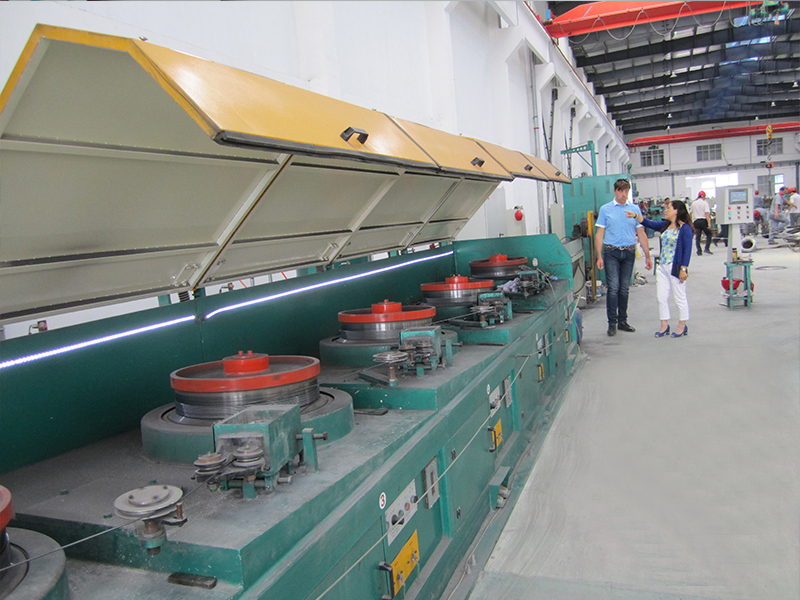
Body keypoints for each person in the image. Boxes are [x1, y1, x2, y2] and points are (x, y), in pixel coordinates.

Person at [625, 200, 693, 338]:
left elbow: (687, 250)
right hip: (662, 266)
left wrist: (683, 269)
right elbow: (649, 223)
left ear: (676, 211)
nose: (665, 210)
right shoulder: (666, 225)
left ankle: (682, 325)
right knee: (661, 297)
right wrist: (636, 216)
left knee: (679, 297)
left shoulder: (685, 229)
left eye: (668, 208)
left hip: (675, 266)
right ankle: (664, 324)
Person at [595, 179, 652, 337]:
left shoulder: (634, 209)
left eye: (626, 191)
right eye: (621, 191)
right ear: (615, 191)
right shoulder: (605, 209)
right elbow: (599, 234)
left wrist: (647, 256)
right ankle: (612, 323)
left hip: (628, 252)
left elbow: (641, 233)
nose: (623, 194)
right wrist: (599, 256)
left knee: (624, 288)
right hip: (611, 252)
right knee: (613, 288)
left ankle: (622, 321)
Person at [690, 191, 713, 255]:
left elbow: (690, 213)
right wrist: (709, 223)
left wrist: (691, 222)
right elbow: (707, 213)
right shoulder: (705, 203)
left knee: (698, 236)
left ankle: (699, 251)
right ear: (703, 196)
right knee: (709, 234)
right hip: (703, 221)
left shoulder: (693, 203)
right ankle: (707, 248)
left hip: (696, 221)